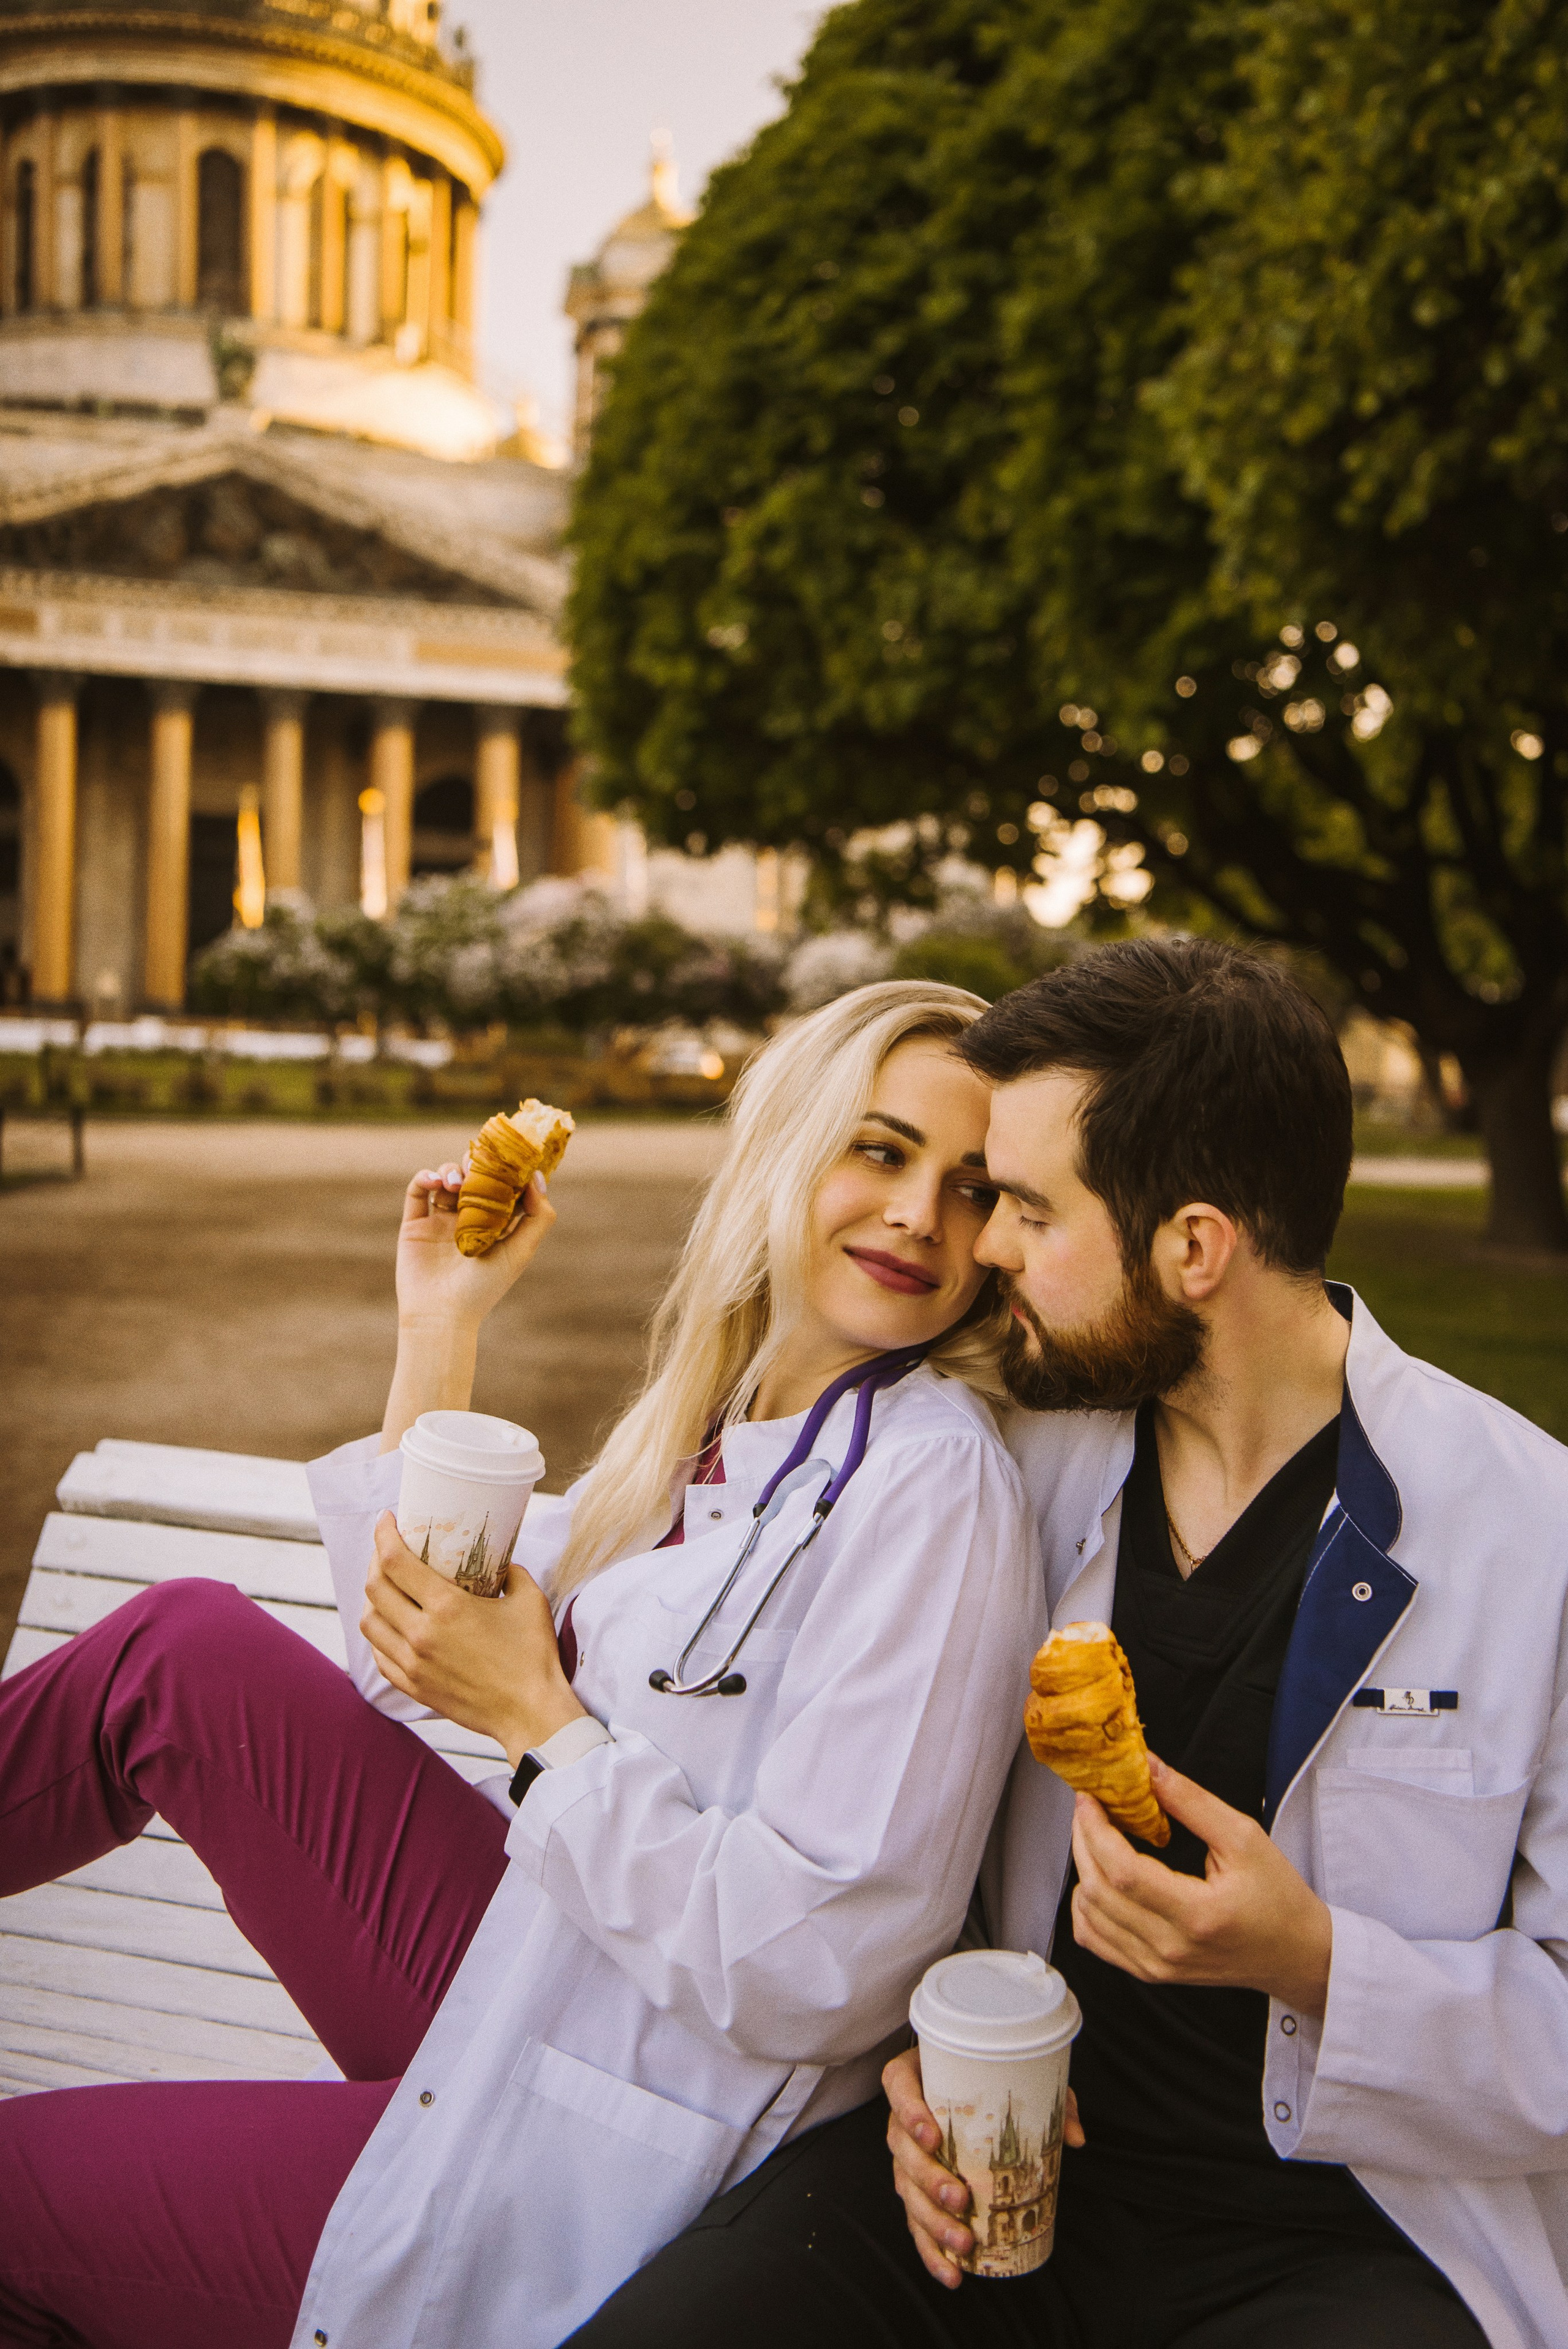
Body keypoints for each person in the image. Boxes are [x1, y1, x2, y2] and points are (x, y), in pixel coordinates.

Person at [0, 982, 1041, 2349]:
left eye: (972, 1188)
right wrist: (444, 1320)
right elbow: (420, 1638)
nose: (919, 1215)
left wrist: (541, 1722)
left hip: (616, 2108)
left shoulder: (933, 1481)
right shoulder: (720, 1430)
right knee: (179, 1650)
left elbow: (826, 1960)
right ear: (786, 1144)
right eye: (881, 1149)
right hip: (530, 1956)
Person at [568, 938, 1568, 2349]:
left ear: (1193, 1246)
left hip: (1343, 2250)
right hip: (990, 2179)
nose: (983, 1247)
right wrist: (916, 2048)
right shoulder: (1016, 1466)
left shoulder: (1533, 1534)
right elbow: (889, 1834)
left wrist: (1314, 1960)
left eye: (1028, 1209)